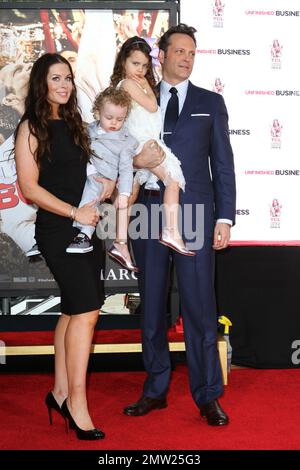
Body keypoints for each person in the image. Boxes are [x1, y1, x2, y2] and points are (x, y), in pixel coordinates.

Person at [123, 24, 236, 426]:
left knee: (200, 310)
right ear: (163, 55)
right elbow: (117, 145)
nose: (187, 58)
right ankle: (155, 389)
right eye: (180, 51)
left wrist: (224, 216)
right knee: (151, 306)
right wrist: (134, 162)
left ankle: (208, 395)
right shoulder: (138, 97)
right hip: (148, 211)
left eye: (192, 52)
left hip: (195, 215)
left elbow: (222, 164)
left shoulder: (211, 101)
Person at [14, 53, 115, 440]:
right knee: (88, 311)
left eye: (68, 78)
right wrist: (75, 213)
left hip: (84, 228)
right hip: (59, 230)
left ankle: (58, 392)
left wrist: (104, 184)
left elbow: (84, 173)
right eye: (56, 78)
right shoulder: (31, 128)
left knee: (76, 311)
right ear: (42, 82)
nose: (64, 84)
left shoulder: (74, 123)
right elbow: (30, 188)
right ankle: (77, 402)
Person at [111, 36, 195, 256]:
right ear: (123, 63)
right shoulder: (129, 84)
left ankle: (120, 243)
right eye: (135, 64)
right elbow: (150, 105)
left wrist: (146, 83)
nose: (140, 70)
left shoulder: (136, 83)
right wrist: (147, 84)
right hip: (142, 143)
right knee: (172, 179)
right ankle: (170, 231)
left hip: (142, 141)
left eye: (145, 65)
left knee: (130, 192)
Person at [66, 86, 139, 272]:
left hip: (103, 177)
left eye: (120, 119)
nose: (114, 123)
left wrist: (124, 192)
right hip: (83, 171)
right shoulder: (89, 129)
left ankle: (85, 234)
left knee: (92, 197)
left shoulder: (126, 141)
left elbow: (125, 168)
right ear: (98, 112)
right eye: (109, 118)